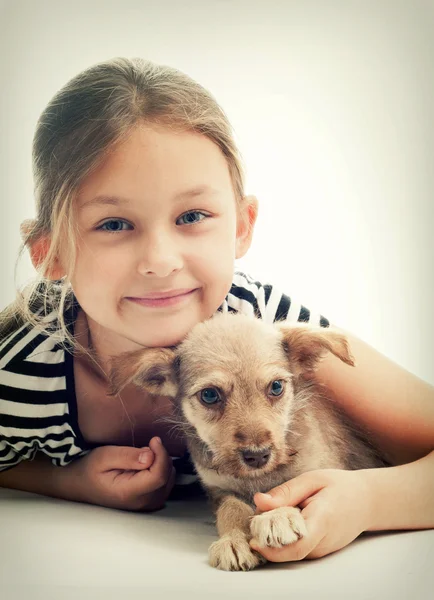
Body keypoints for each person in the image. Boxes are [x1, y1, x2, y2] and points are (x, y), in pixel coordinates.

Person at [0, 57, 433, 563]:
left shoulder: (262, 324)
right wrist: (68, 480)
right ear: (50, 252)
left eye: (192, 215)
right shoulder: (21, 373)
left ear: (242, 226)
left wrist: (366, 503)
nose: (160, 262)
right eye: (114, 224)